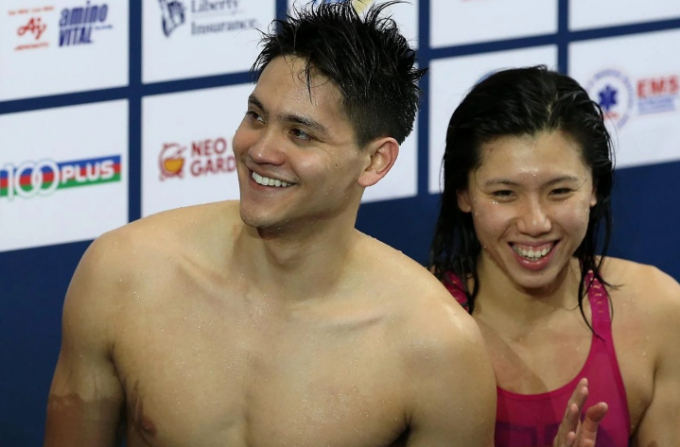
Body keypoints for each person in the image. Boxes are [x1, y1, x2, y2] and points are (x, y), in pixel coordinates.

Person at [44, 2, 497, 446]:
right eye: (256, 116)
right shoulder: (122, 272)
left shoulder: (438, 348)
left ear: (376, 161)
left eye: (300, 133)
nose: (260, 150)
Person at [430, 65, 680, 446]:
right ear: (463, 194)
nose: (535, 222)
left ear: (594, 187)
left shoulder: (659, 311)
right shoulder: (415, 325)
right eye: (504, 194)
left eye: (559, 191)